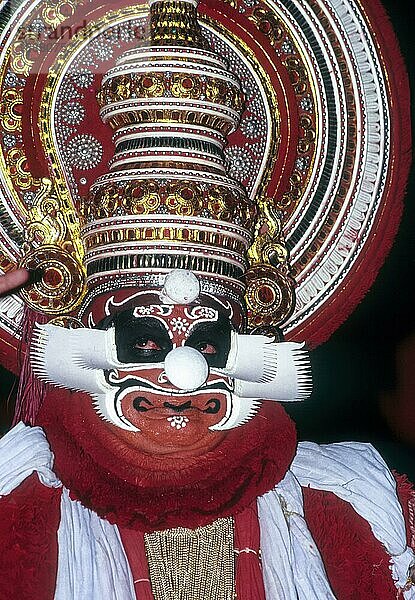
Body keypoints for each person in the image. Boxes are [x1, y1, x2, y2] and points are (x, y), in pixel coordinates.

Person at [0, 0, 413, 598]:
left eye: (208, 338)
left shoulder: (355, 508)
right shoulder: (16, 498)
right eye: (143, 337)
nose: (180, 368)